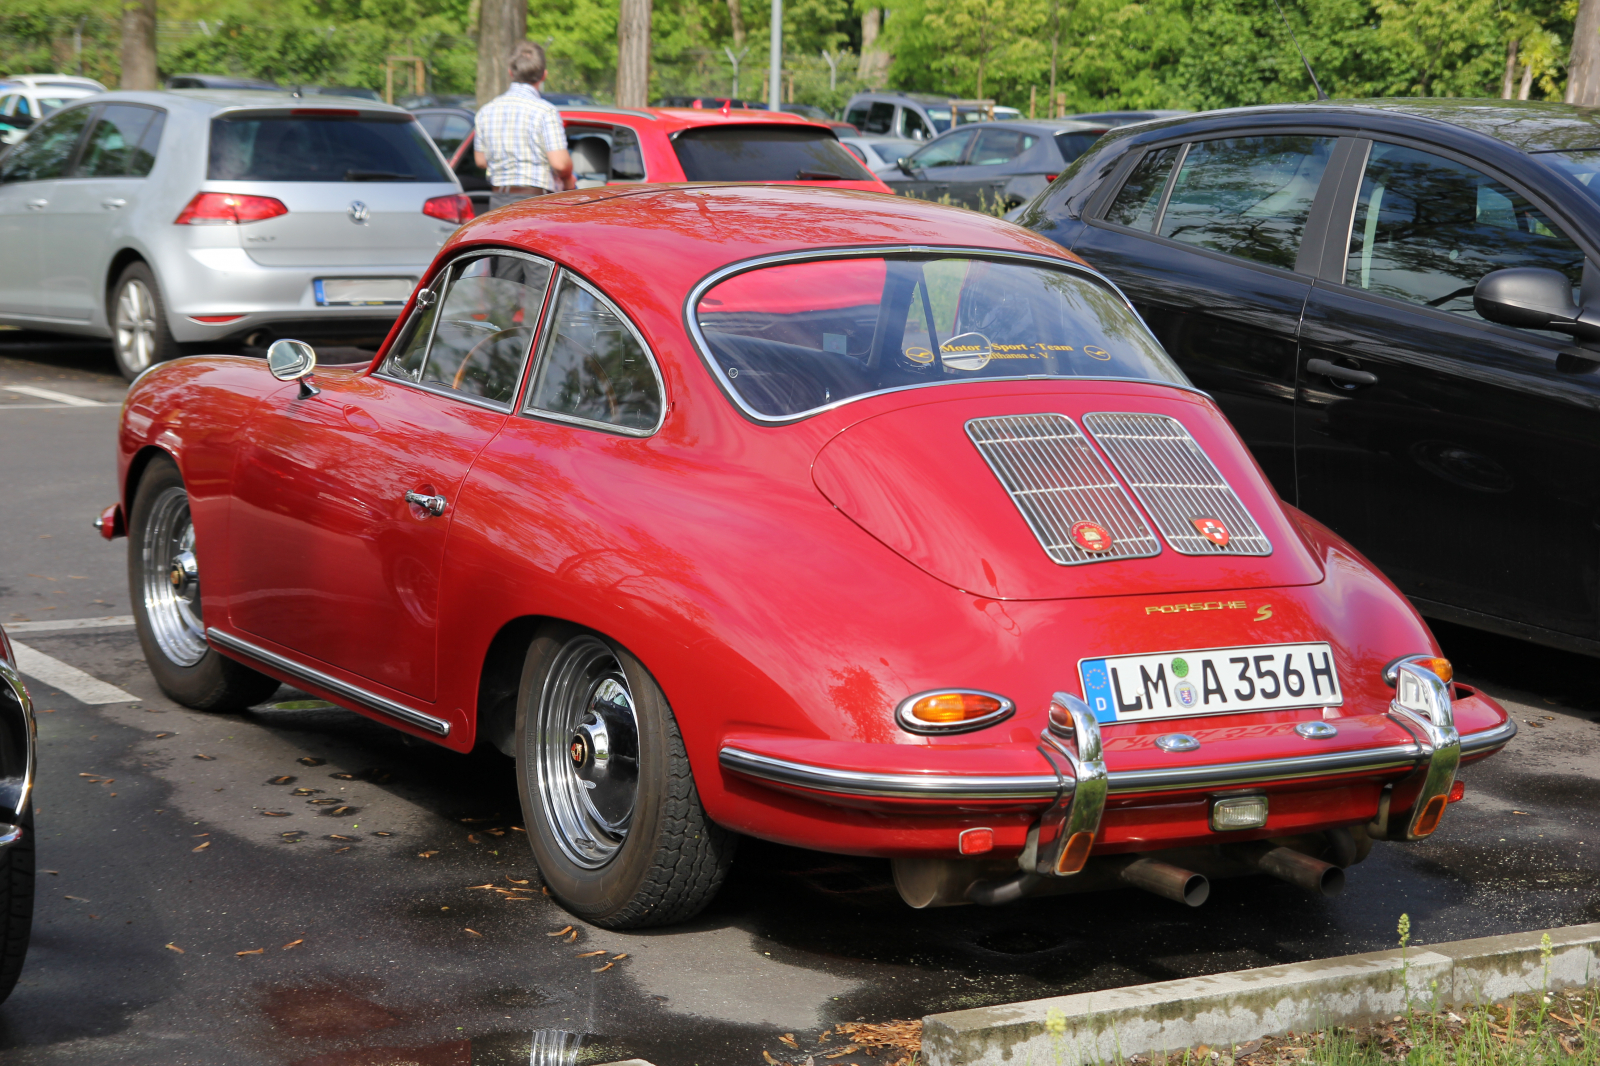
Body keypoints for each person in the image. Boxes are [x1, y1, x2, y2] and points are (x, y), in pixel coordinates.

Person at [474, 42, 575, 210]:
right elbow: (560, 164)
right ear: (544, 75)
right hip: (535, 201)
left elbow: (481, 160)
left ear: (510, 72)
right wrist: (568, 179)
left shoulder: (486, 110)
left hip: (498, 200)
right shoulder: (545, 111)